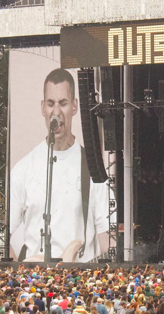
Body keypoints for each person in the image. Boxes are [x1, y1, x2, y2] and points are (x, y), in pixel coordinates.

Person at [7, 68, 110, 262]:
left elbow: (106, 240)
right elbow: (3, 237)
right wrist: (18, 273)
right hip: (35, 280)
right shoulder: (24, 169)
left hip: (78, 279)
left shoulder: (93, 168)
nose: (56, 112)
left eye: (63, 103)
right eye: (50, 103)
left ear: (74, 106)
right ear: (42, 108)